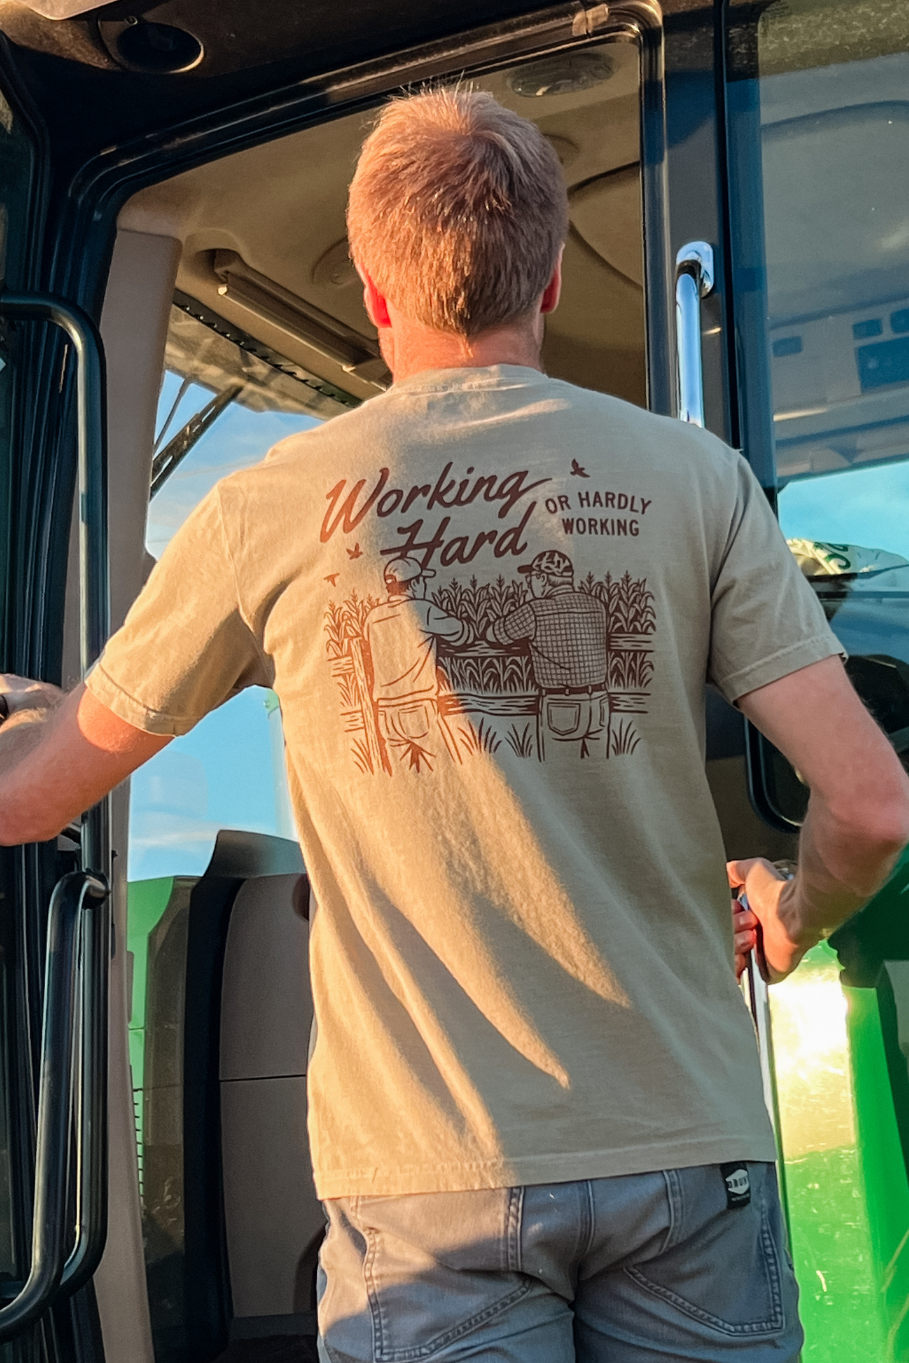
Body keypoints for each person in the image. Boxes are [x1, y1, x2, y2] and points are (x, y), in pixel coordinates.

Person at [1, 89, 908, 1363]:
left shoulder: (271, 507)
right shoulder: (697, 478)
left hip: (431, 1187)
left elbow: (35, 798)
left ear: (373, 294)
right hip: (692, 1158)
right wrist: (790, 913)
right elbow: (869, 806)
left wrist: (32, 727)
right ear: (546, 278)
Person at [486, 548, 609, 757]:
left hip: (562, 705)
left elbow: (496, 634)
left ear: (542, 578)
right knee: (601, 766)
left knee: (559, 767)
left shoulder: (536, 610)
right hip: (599, 701)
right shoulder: (597, 605)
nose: (529, 582)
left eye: (531, 577)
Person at [364, 555, 467, 769]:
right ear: (416, 583)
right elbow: (461, 633)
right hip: (418, 704)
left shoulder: (373, 616)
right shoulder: (422, 609)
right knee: (443, 768)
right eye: (422, 580)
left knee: (402, 772)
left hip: (385, 707)